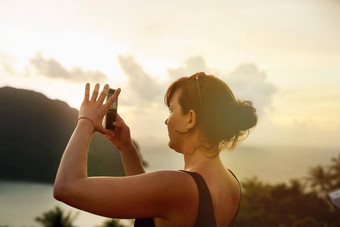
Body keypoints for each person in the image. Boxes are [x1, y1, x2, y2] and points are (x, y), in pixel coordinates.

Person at [54, 72, 257, 227]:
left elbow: (67, 187)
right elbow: (154, 205)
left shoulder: (180, 186)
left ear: (190, 119)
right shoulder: (231, 184)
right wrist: (127, 148)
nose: (167, 119)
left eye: (171, 110)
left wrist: (85, 121)